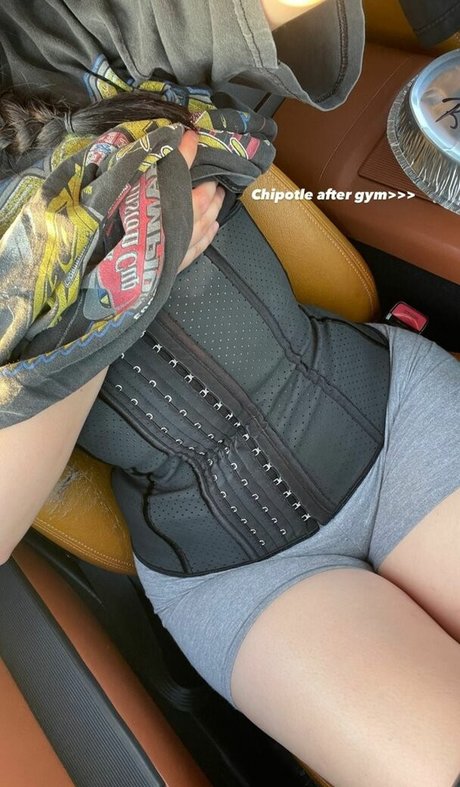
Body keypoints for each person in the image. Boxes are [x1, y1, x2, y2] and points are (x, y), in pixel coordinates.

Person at [0, 2, 459, 785]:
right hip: (238, 571)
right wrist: (134, 279)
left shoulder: (45, 35)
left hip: (387, 417)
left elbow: (211, 15)